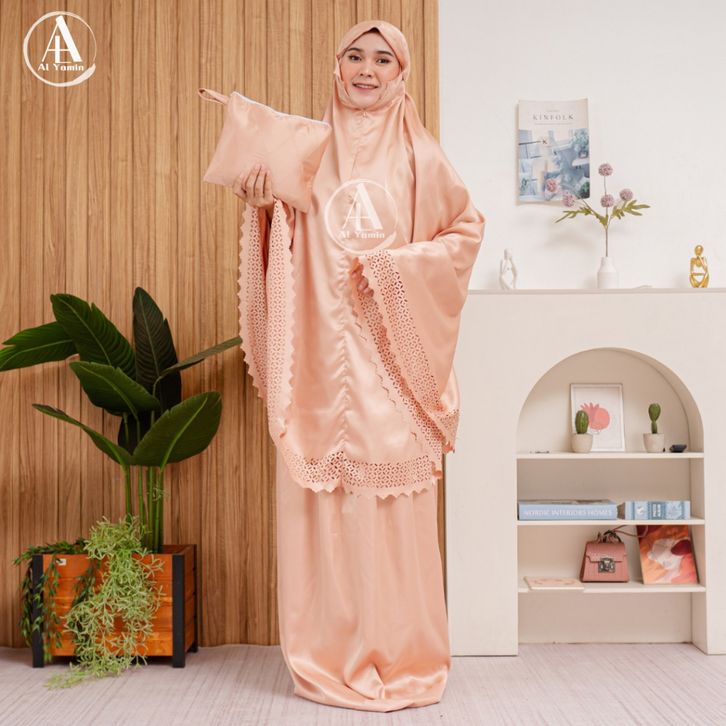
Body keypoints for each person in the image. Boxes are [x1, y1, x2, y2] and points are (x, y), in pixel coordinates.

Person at [232, 19, 484, 712]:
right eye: (354, 56)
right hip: (320, 354)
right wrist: (263, 208)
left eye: (382, 59)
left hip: (392, 363)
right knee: (325, 505)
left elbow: (465, 232)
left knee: (389, 512)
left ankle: (403, 656)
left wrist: (394, 270)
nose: (366, 70)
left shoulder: (421, 156)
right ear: (337, 66)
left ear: (401, 74)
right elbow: (285, 234)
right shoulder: (307, 150)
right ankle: (325, 656)